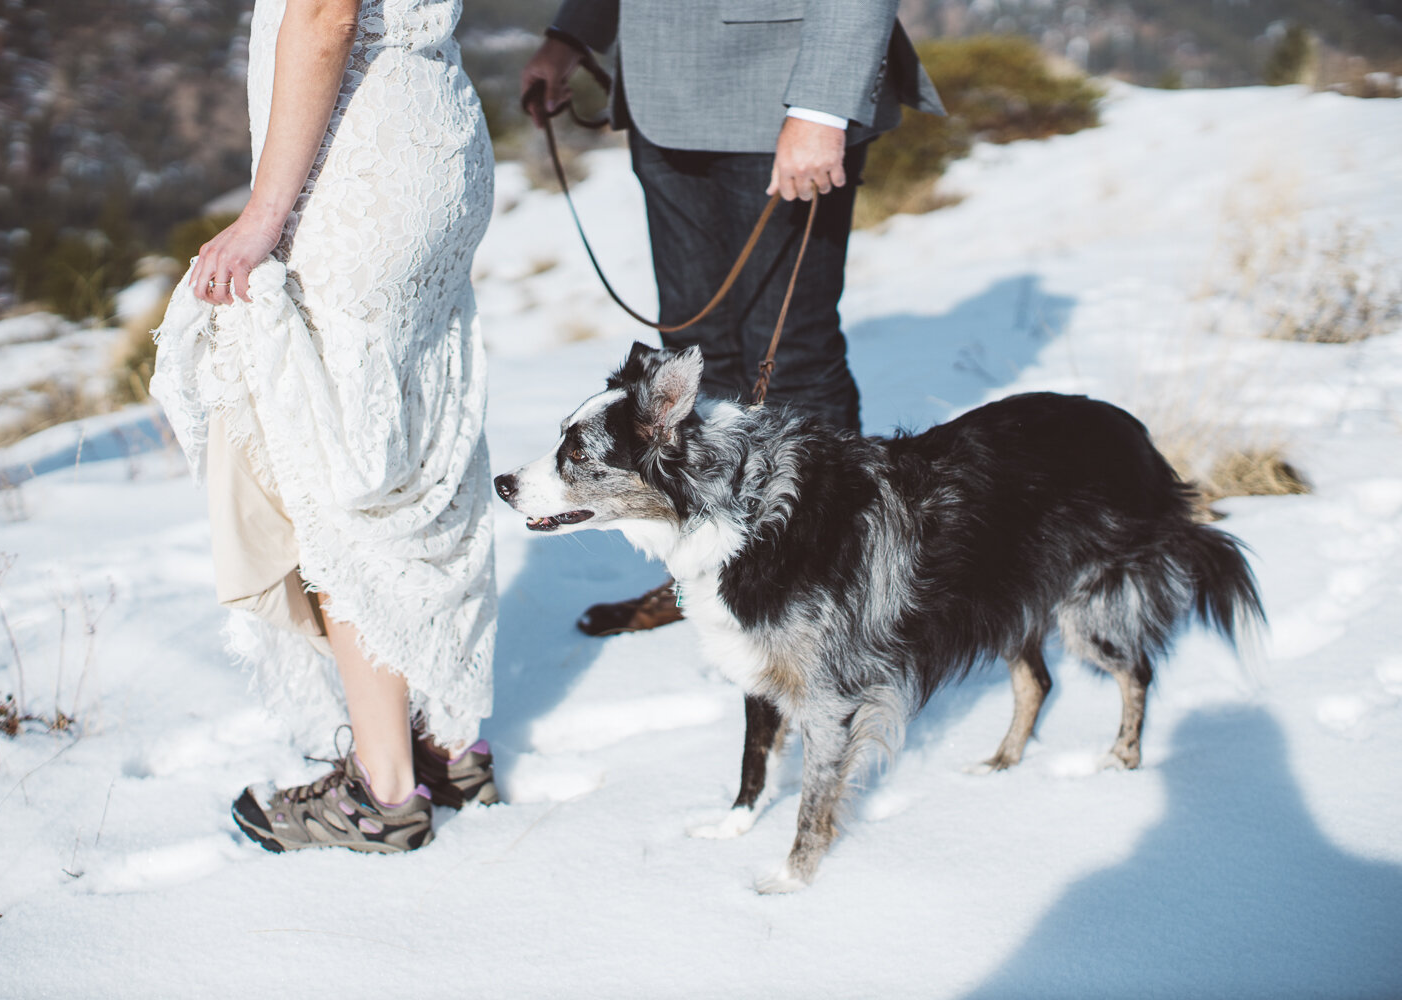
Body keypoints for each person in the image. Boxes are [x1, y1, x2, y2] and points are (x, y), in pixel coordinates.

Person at [150, 0, 499, 853]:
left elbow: (323, 12)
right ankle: (451, 743)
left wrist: (263, 216)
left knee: (338, 466)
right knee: (421, 448)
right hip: (435, 132)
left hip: (360, 168)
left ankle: (383, 792)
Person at [520, 0, 943, 635]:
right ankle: (711, 573)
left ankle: (841, 585)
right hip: (663, 98)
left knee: (793, 353)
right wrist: (571, 37)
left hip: (785, 91)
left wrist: (822, 105)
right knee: (688, 353)